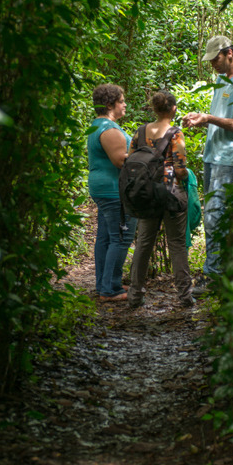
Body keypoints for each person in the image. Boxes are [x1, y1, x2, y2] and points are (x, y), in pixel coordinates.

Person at [182, 35, 233, 289]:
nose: (213, 64)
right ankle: (221, 268)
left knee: (216, 214)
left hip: (230, 156)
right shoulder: (220, 78)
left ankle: (214, 274)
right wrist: (199, 117)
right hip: (212, 153)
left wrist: (209, 119)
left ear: (229, 53)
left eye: (216, 59)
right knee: (212, 214)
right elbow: (219, 114)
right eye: (210, 60)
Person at [127, 90, 195, 310]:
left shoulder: (139, 132)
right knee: (176, 245)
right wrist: (186, 176)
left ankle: (135, 295)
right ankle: (185, 296)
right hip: (171, 193)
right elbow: (180, 168)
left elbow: (130, 161)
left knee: (144, 243)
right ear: (173, 109)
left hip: (146, 195)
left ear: (154, 109)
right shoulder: (176, 133)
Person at [87, 84, 138, 302]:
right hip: (113, 191)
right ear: (110, 105)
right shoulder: (109, 129)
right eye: (121, 101)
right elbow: (121, 161)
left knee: (107, 237)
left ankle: (106, 284)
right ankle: (110, 289)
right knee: (121, 237)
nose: (125, 104)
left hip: (104, 188)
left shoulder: (98, 125)